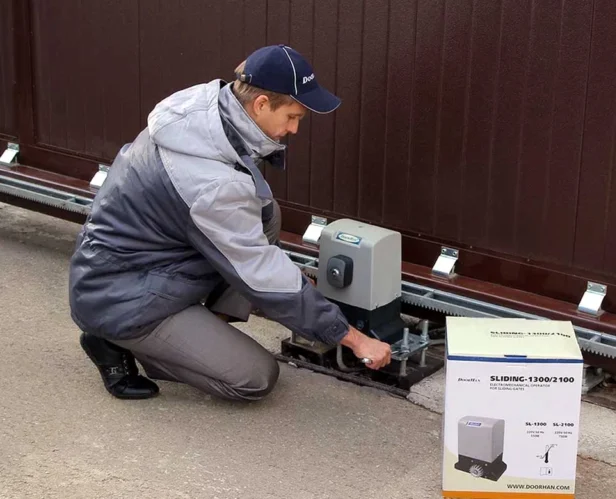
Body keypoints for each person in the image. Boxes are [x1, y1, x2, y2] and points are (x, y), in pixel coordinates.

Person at [68, 44, 392, 401]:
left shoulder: (203, 111)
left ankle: (203, 334)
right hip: (121, 299)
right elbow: (259, 269)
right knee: (254, 377)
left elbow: (249, 244)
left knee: (264, 216)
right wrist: (352, 337)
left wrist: (285, 281)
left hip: (138, 265)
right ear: (261, 105)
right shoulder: (213, 185)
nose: (295, 129)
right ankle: (116, 340)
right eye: (293, 117)